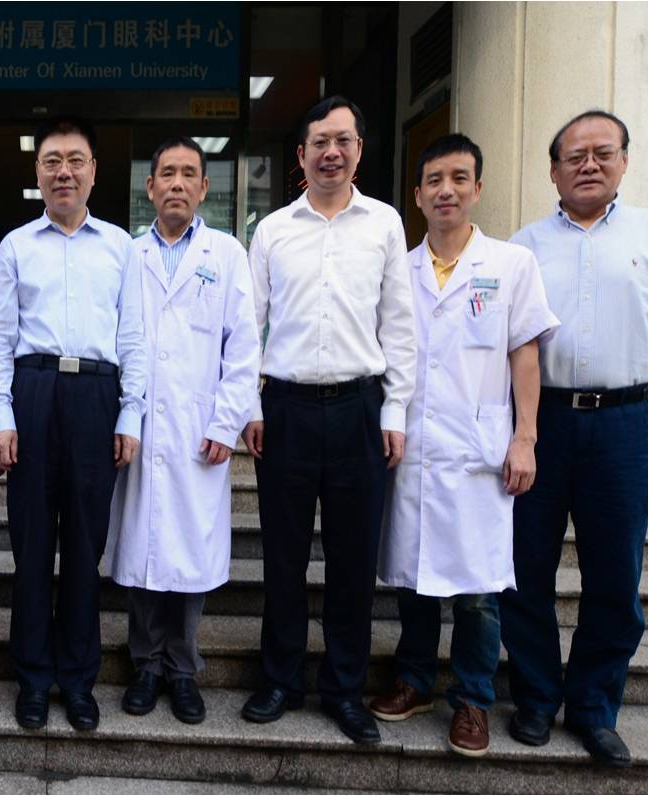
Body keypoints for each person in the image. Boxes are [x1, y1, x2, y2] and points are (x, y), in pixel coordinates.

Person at [500, 110, 648, 767]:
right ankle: (536, 698)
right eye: (575, 156)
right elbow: (511, 340)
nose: (588, 165)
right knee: (525, 568)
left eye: (602, 153)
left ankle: (594, 706)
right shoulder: (525, 245)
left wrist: (638, 394)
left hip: (625, 424)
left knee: (616, 573)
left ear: (624, 161)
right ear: (553, 170)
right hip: (543, 422)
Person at [369, 134, 559, 757]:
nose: (446, 190)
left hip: (480, 449)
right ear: (417, 194)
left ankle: (473, 697)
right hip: (414, 445)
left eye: (458, 179)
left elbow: (524, 353)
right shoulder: (400, 269)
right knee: (413, 576)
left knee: (478, 590)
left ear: (477, 189)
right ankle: (414, 680)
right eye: (434, 180)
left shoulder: (510, 264)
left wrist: (526, 436)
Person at [240, 96, 416, 745]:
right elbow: (247, 327)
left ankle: (344, 689)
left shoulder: (385, 225)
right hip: (285, 409)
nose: (331, 152)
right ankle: (281, 678)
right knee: (283, 557)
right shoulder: (272, 230)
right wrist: (250, 405)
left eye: (343, 140)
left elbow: (400, 326)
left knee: (352, 561)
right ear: (302, 154)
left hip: (358, 410)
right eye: (320, 141)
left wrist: (395, 408)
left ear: (359, 150)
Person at [0, 115, 147, 732]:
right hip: (33, 391)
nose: (64, 172)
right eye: (52, 161)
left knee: (84, 547)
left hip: (95, 397)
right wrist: (0, 414)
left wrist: (130, 412)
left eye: (75, 160)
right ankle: (31, 676)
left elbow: (133, 337)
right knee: (30, 547)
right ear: (38, 171)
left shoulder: (120, 247)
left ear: (94, 171)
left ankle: (78, 679)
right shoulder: (16, 246)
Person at [108, 137, 259, 725]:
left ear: (204, 187)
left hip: (199, 428)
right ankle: (145, 665)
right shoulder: (128, 254)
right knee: (144, 549)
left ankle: (182, 669)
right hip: (142, 424)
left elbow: (242, 348)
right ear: (149, 187)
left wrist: (227, 420)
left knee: (189, 555)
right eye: (166, 173)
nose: (176, 183)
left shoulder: (227, 255)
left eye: (188, 174)